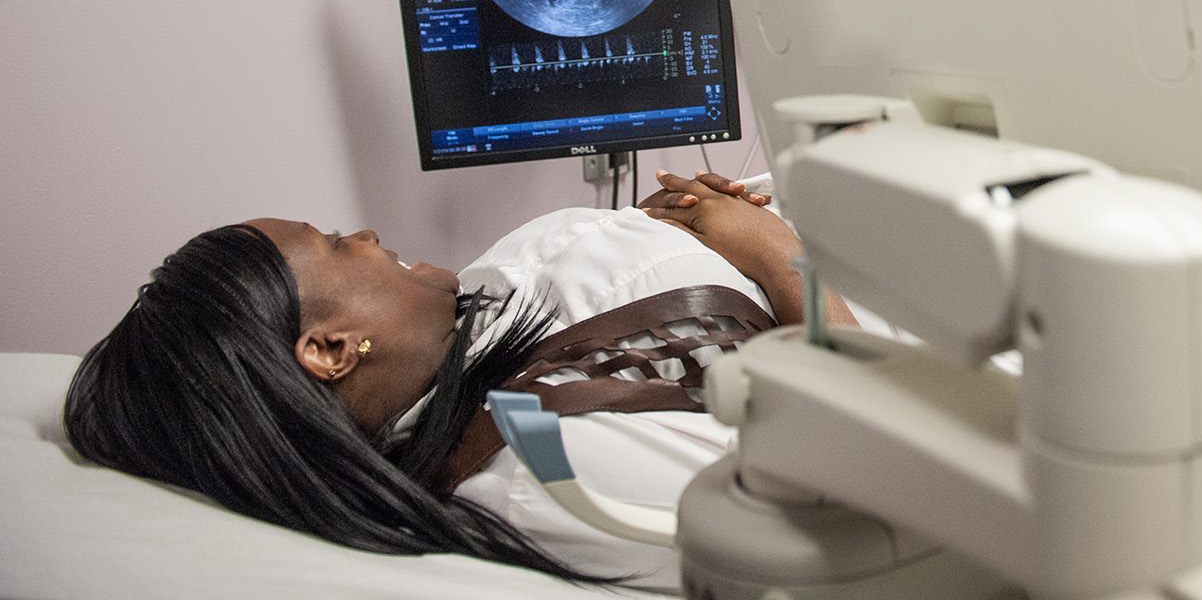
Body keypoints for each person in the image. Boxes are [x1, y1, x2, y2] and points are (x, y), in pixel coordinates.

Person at [63, 168, 854, 587]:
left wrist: (671, 228)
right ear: (330, 350)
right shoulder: (549, 466)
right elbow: (869, 503)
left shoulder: (464, 332)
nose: (368, 234)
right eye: (337, 243)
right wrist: (780, 262)